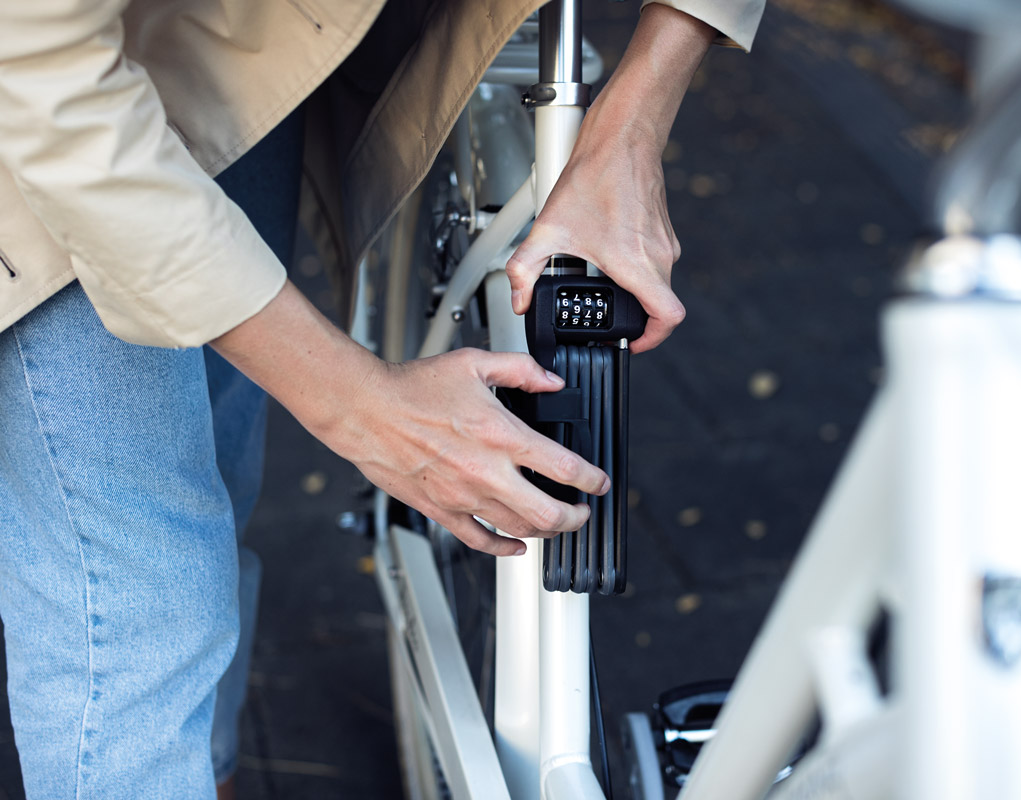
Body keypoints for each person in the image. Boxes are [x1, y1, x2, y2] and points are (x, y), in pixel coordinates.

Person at [0, 0, 764, 797]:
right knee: (135, 603)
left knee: (216, 467)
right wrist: (353, 403)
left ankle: (205, 770)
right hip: (43, 87)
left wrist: (635, 123)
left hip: (238, 25)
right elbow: (41, 77)